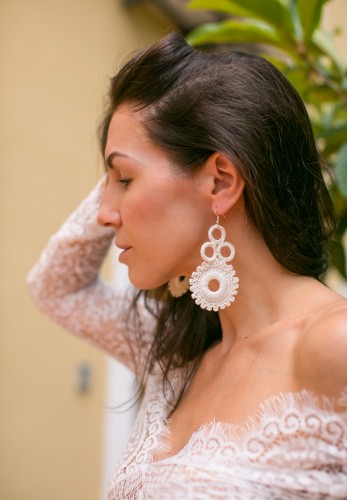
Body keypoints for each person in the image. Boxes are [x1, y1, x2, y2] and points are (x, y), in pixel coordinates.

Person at [27, 33, 346, 498]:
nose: (103, 212)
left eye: (124, 179)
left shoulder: (331, 347)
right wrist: (123, 155)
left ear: (220, 182)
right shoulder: (176, 354)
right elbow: (55, 286)